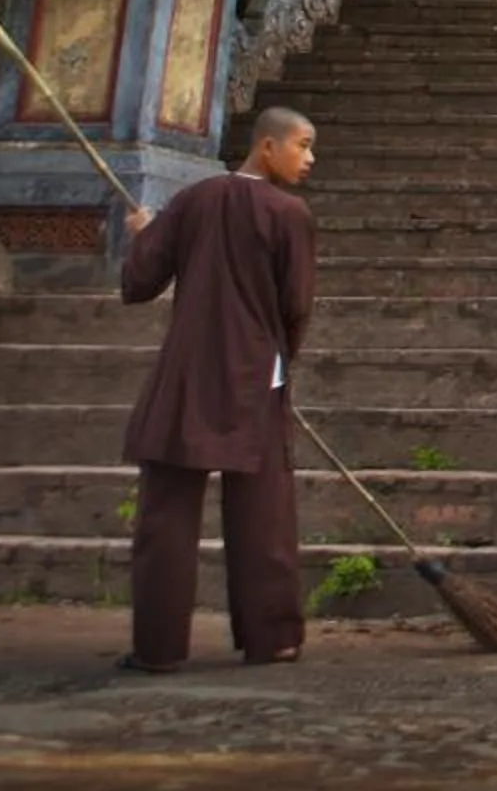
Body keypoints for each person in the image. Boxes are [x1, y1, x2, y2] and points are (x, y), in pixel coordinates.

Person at [117, 106, 319, 672]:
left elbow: (140, 282)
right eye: (302, 146)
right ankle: (273, 637)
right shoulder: (290, 215)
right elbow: (295, 307)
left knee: (166, 519)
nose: (309, 159)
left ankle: (157, 648)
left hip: (186, 375)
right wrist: (280, 361)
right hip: (257, 376)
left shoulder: (193, 201)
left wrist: (142, 235)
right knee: (264, 516)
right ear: (267, 147)